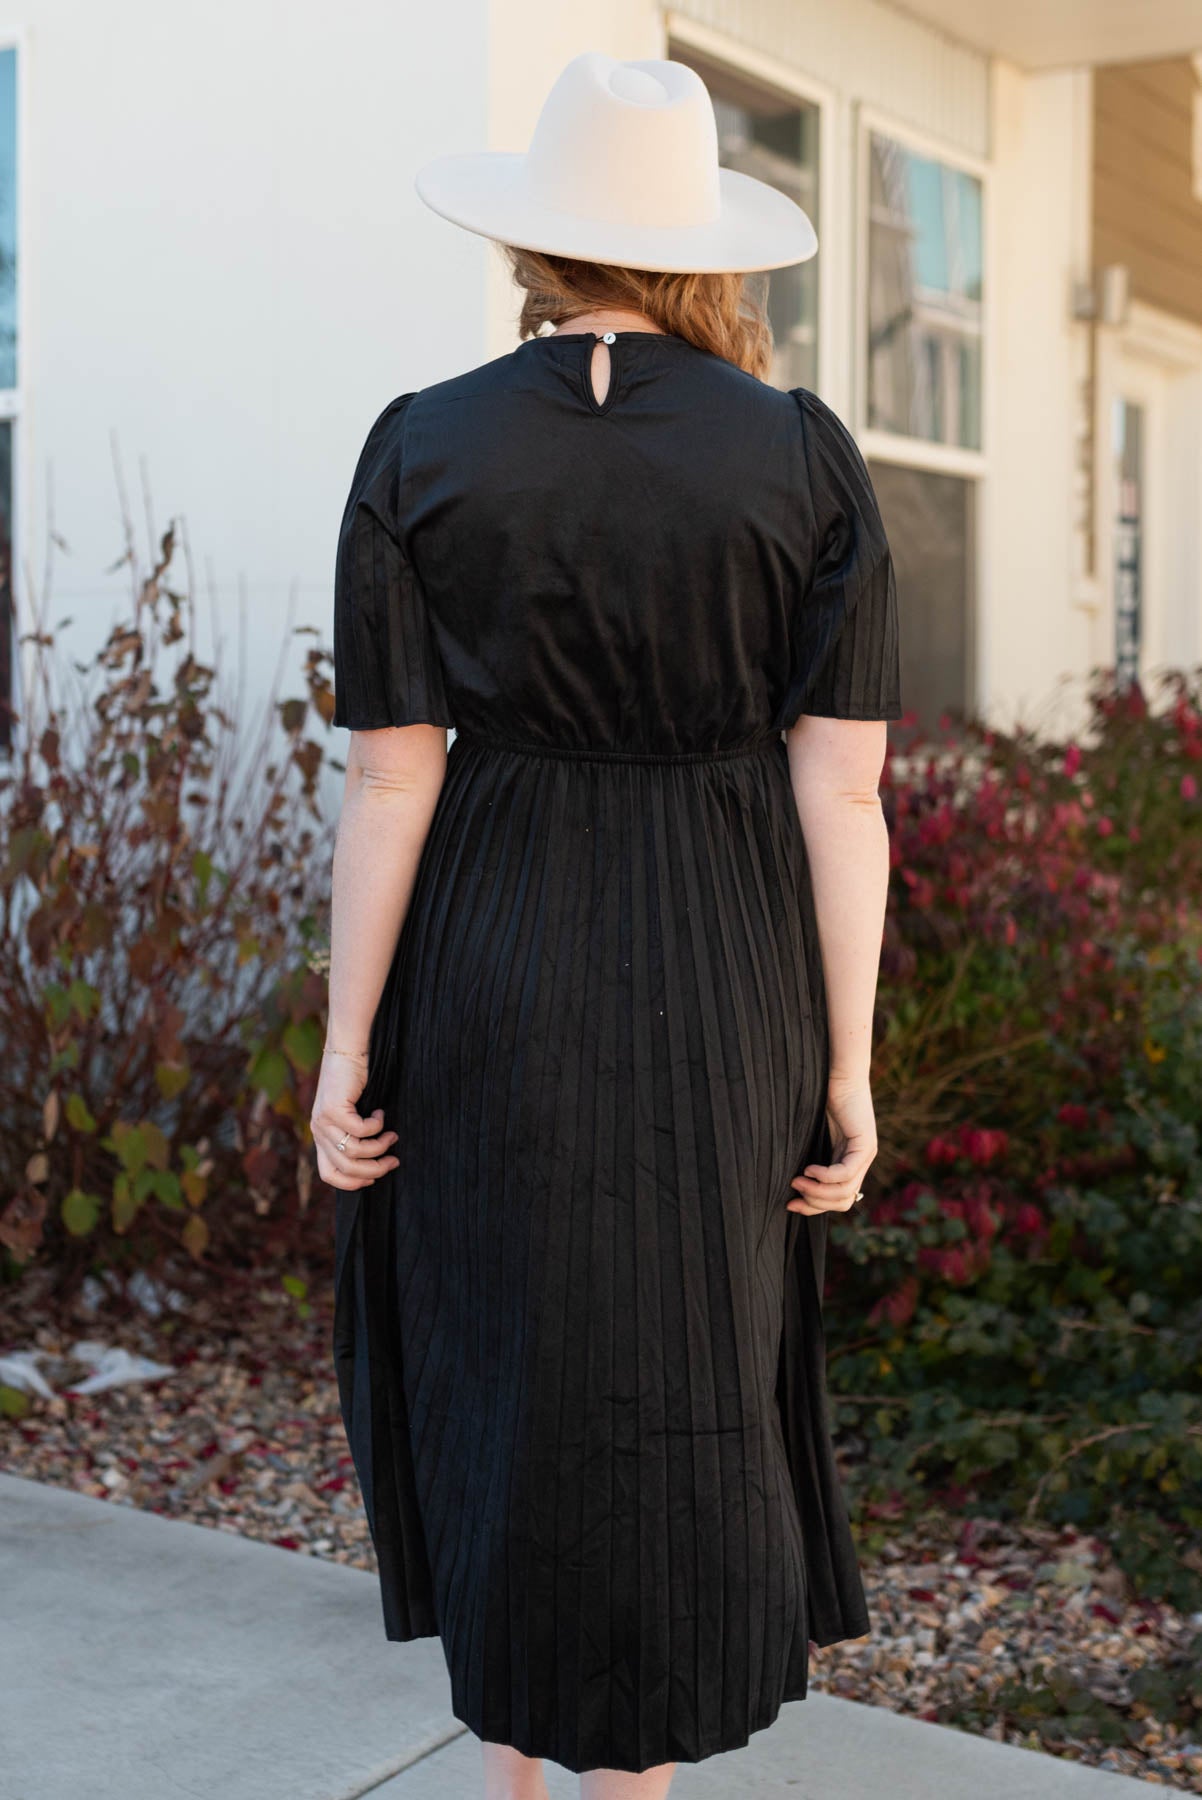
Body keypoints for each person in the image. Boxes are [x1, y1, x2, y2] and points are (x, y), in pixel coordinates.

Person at [312, 49, 902, 1800]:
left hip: (490, 939)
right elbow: (845, 792)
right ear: (701, 249)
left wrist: (347, 1043)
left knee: (506, 1348)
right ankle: (625, 1779)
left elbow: (390, 782)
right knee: (686, 1347)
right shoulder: (795, 451)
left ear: (533, 244)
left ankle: (523, 1775)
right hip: (726, 954)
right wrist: (849, 1065)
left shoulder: (419, 441)